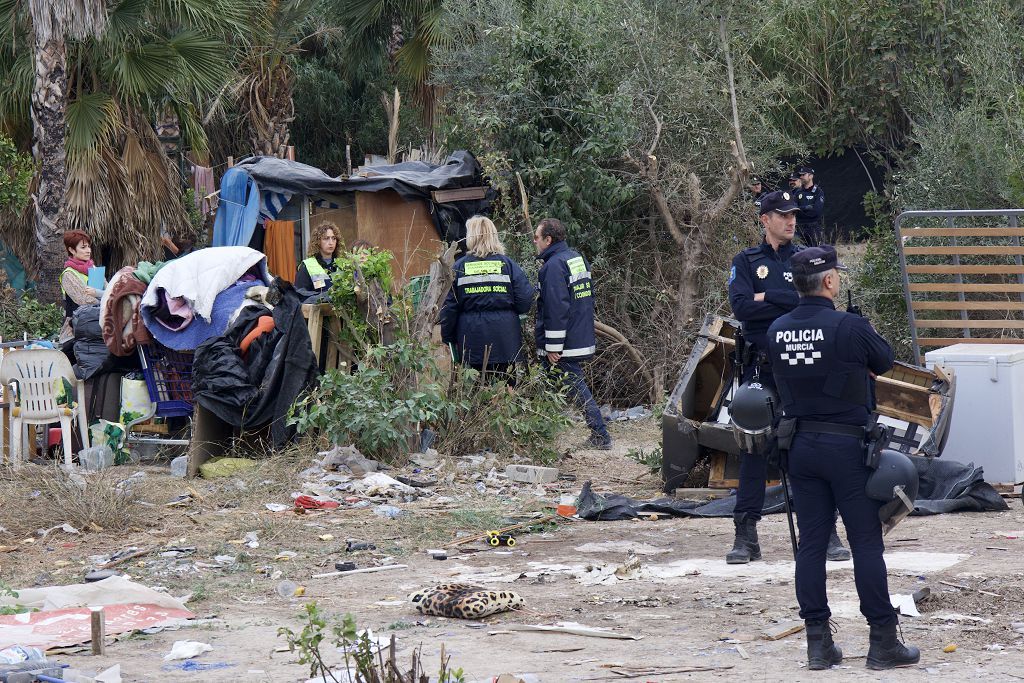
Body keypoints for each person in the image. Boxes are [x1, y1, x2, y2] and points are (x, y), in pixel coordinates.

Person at [767, 245, 919, 671]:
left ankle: (818, 643)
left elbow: (773, 379)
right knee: (866, 543)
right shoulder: (849, 326)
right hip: (848, 448)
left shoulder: (776, 329)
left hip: (799, 447)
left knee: (812, 543)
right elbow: (885, 360)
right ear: (830, 281)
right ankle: (883, 642)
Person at [726, 191, 849, 564]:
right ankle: (745, 535)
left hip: (803, 366)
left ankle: (825, 532)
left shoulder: (805, 259)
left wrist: (768, 298)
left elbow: (814, 303)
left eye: (794, 214)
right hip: (761, 368)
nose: (791, 221)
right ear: (765, 219)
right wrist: (783, 298)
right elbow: (742, 307)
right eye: (782, 215)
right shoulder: (746, 261)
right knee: (753, 448)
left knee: (814, 445)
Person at [534, 217, 611, 450]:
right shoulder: (576, 257)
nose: (534, 241)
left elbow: (556, 308)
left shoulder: (553, 266)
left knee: (574, 385)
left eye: (537, 237)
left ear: (548, 240)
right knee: (547, 385)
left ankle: (600, 434)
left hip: (563, 343)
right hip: (579, 335)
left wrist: (553, 346)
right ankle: (541, 434)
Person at [440, 216, 533, 380]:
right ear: (493, 235)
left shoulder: (460, 267)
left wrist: (447, 337)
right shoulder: (508, 265)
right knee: (505, 384)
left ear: (471, 237)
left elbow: (449, 308)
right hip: (505, 337)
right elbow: (525, 300)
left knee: (478, 387)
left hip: (472, 338)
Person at [58, 230, 102, 347]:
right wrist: (106, 302)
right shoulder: (68, 274)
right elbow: (84, 300)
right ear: (72, 250)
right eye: (83, 247)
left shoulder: (93, 268)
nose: (88, 250)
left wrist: (101, 295)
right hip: (76, 329)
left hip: (97, 322)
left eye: (88, 246)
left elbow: (109, 290)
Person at [295, 222, 340, 293]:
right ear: (318, 242)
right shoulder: (307, 266)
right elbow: (300, 295)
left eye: (334, 238)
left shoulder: (342, 265)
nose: (331, 242)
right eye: (326, 238)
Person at [795, 165, 825, 247]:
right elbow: (794, 209)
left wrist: (801, 211)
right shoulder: (798, 193)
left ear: (811, 176)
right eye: (800, 175)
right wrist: (806, 208)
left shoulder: (818, 192)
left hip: (814, 227)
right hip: (799, 228)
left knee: (816, 252)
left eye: (803, 175)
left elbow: (816, 211)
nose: (801, 177)